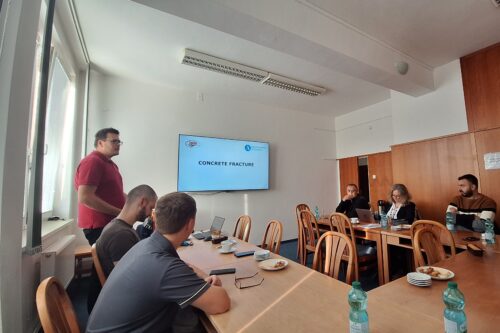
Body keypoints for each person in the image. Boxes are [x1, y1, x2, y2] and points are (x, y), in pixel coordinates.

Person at [87, 192, 231, 332]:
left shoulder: (146, 245)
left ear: (154, 218)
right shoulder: (165, 267)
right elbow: (221, 303)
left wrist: (202, 279)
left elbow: (183, 268)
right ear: (191, 224)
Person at [74, 128, 126, 245]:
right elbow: (85, 197)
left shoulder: (110, 164)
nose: (118, 145)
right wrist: (120, 213)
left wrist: (134, 203)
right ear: (100, 143)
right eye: (114, 141)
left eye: (119, 142)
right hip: (99, 225)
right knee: (108, 262)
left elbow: (116, 193)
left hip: (110, 223)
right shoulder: (93, 162)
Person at [96, 184, 157, 278]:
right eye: (151, 208)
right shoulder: (121, 235)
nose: (150, 215)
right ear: (143, 202)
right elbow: (129, 278)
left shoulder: (120, 227)